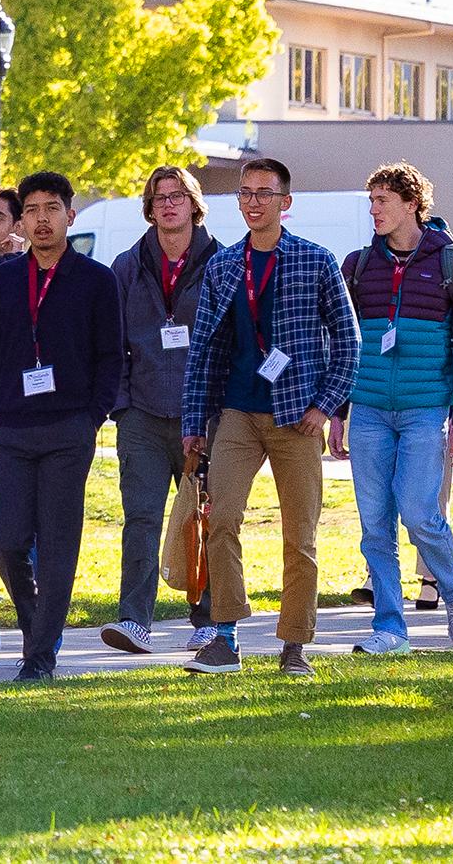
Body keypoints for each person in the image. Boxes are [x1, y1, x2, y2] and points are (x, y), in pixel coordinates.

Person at [181, 158, 358, 679]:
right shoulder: (223, 265)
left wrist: (324, 406)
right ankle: (226, 637)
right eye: (245, 193)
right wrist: (195, 421)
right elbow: (205, 352)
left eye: (265, 193)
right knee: (222, 521)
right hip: (236, 412)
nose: (253, 202)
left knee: (299, 534)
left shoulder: (315, 261)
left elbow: (348, 342)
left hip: (296, 418)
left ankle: (294, 645)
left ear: (286, 202)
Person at [0, 170, 123, 682]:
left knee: (57, 544)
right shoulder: (4, 278)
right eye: (31, 210)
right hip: (12, 427)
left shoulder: (97, 280)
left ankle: (40, 658)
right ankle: (39, 631)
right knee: (7, 543)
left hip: (68, 429)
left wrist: (92, 416)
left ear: (69, 216)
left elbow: (110, 357)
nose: (41, 219)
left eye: (50, 209)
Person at [337, 164, 453, 655]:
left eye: (383, 201)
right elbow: (339, 341)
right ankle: (389, 627)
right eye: (371, 201)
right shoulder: (358, 266)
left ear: (411, 204)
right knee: (374, 524)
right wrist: (338, 410)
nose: (374, 210)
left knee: (420, 513)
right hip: (370, 409)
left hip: (426, 410)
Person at [99, 166, 218, 656]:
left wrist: (217, 412)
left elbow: (231, 343)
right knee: (141, 517)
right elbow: (111, 345)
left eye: (178, 196)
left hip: (205, 414)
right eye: (159, 197)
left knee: (208, 518)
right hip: (143, 415)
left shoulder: (222, 262)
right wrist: (123, 406)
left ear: (194, 204)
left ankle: (210, 618)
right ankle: (135, 621)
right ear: (149, 208)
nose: (168, 204)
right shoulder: (126, 267)